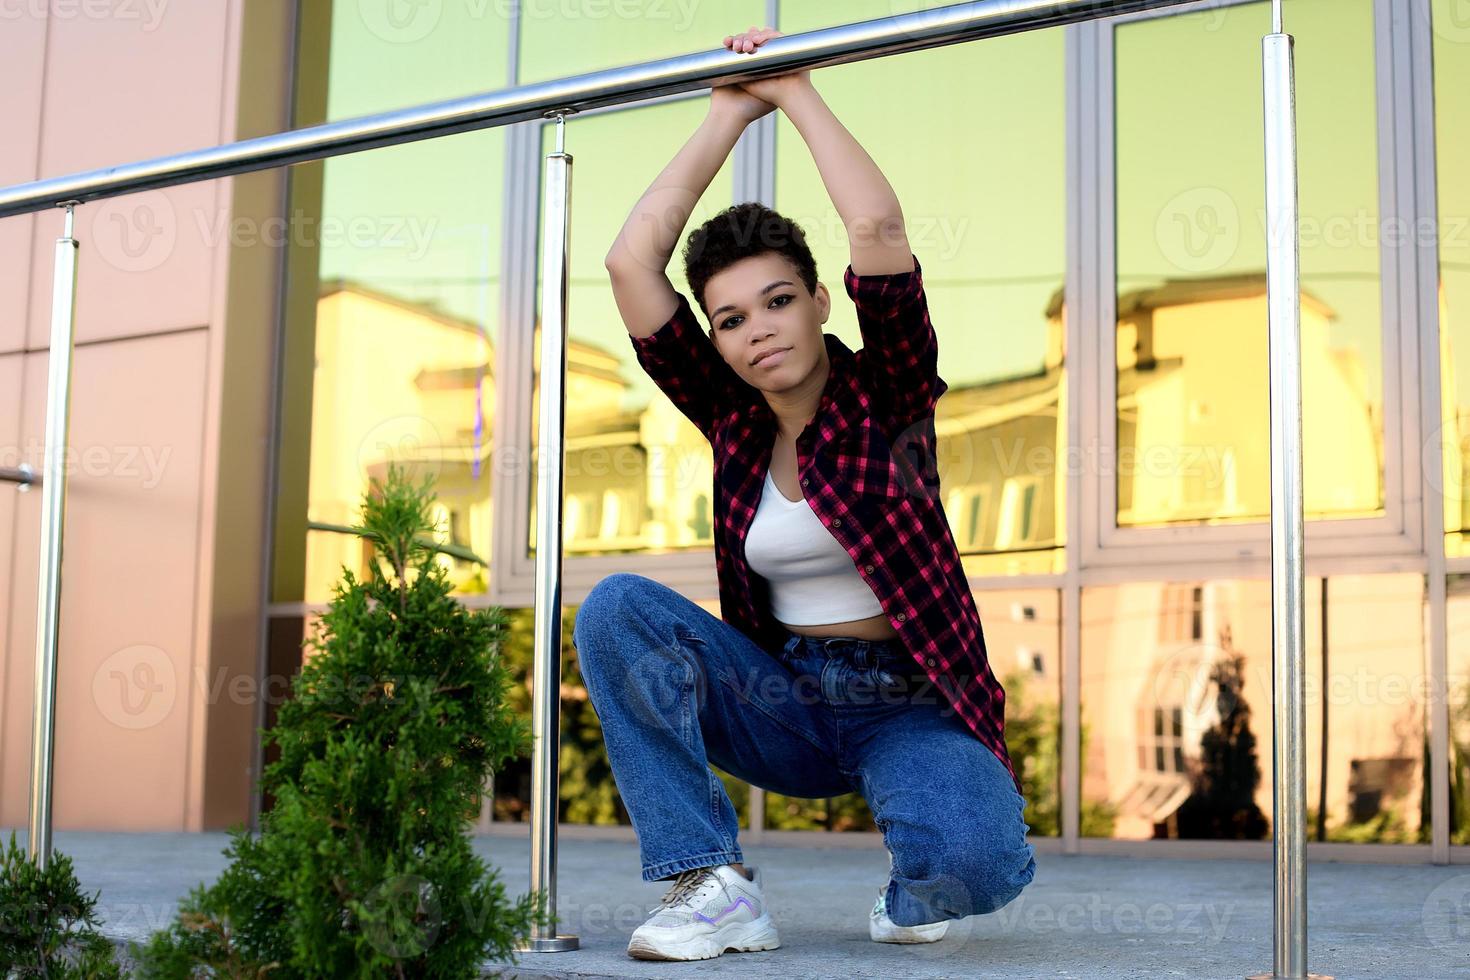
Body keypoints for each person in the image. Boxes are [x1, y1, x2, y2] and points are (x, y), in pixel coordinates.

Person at [576, 24, 1036, 963]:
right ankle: (712, 886)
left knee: (976, 865)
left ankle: (918, 886)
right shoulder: (731, 415)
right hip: (781, 694)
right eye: (732, 318)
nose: (758, 332)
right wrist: (723, 114)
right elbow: (631, 266)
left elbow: (877, 231)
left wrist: (794, 90)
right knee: (617, 607)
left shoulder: (891, 392)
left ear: (822, 301)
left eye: (779, 301)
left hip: (910, 701)